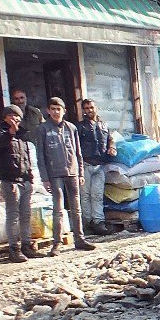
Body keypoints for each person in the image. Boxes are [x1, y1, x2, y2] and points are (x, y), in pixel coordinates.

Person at [35, 96, 95, 255]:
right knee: (58, 209)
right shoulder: (43, 129)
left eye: (58, 109)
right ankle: (57, 242)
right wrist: (45, 178)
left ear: (64, 111)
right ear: (48, 111)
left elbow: (78, 152)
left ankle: (80, 239)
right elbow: (40, 155)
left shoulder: (71, 128)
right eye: (53, 109)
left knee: (76, 208)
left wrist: (80, 172)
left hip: (72, 172)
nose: (56, 112)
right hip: (54, 174)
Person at [0, 104, 39, 262]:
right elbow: (1, 144)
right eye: (11, 116)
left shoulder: (23, 135)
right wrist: (11, 131)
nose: (15, 119)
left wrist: (30, 178)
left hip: (25, 180)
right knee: (13, 216)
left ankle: (27, 245)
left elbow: (26, 158)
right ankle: (14, 249)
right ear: (5, 117)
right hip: (10, 181)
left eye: (18, 117)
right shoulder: (1, 132)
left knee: (26, 215)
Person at [78, 98, 116, 236]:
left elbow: (111, 139)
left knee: (98, 195)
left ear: (96, 108)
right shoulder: (79, 127)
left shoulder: (104, 125)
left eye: (91, 107)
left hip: (100, 166)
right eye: (86, 108)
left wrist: (112, 148)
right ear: (83, 110)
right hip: (86, 165)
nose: (89, 110)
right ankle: (87, 224)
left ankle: (98, 222)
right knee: (86, 196)